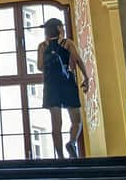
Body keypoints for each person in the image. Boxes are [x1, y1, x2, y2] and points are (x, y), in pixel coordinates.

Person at [37, 18, 91, 159]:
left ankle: (60, 157)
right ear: (60, 28)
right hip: (67, 83)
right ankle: (71, 143)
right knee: (76, 120)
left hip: (50, 85)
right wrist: (86, 77)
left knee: (56, 124)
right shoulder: (67, 43)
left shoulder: (42, 46)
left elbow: (40, 66)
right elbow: (78, 59)